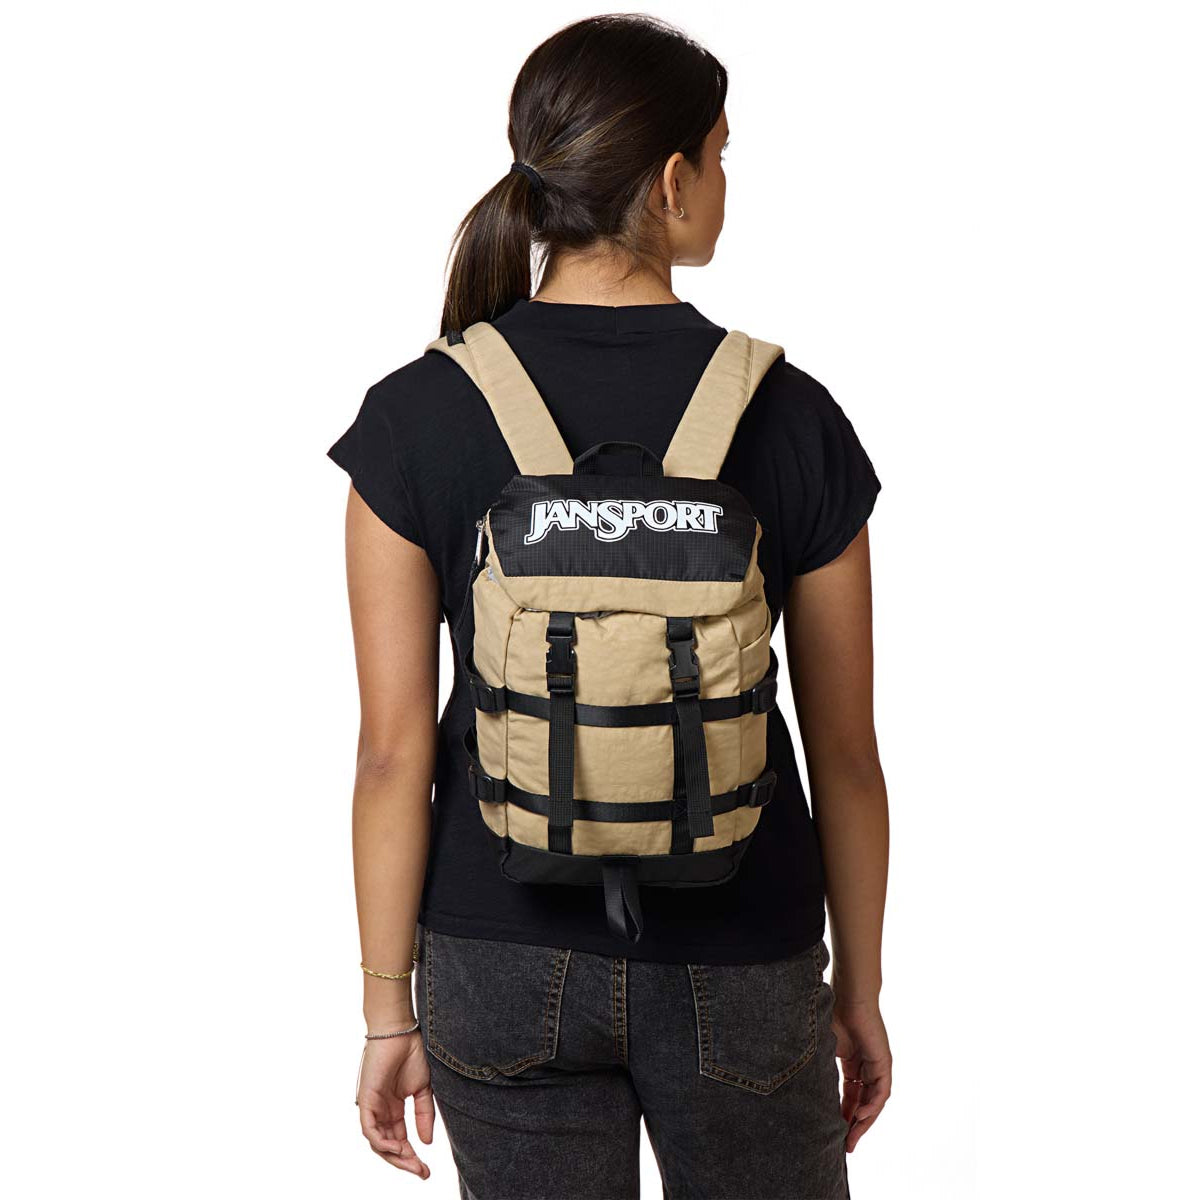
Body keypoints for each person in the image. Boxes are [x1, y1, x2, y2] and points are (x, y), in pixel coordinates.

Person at [329, 14, 891, 1198]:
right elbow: (847, 756)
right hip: (744, 953)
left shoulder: (415, 416)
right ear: (673, 181)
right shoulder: (792, 415)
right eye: (722, 155)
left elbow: (390, 755)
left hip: (494, 951)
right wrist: (860, 988)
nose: (726, 182)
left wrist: (388, 1010)